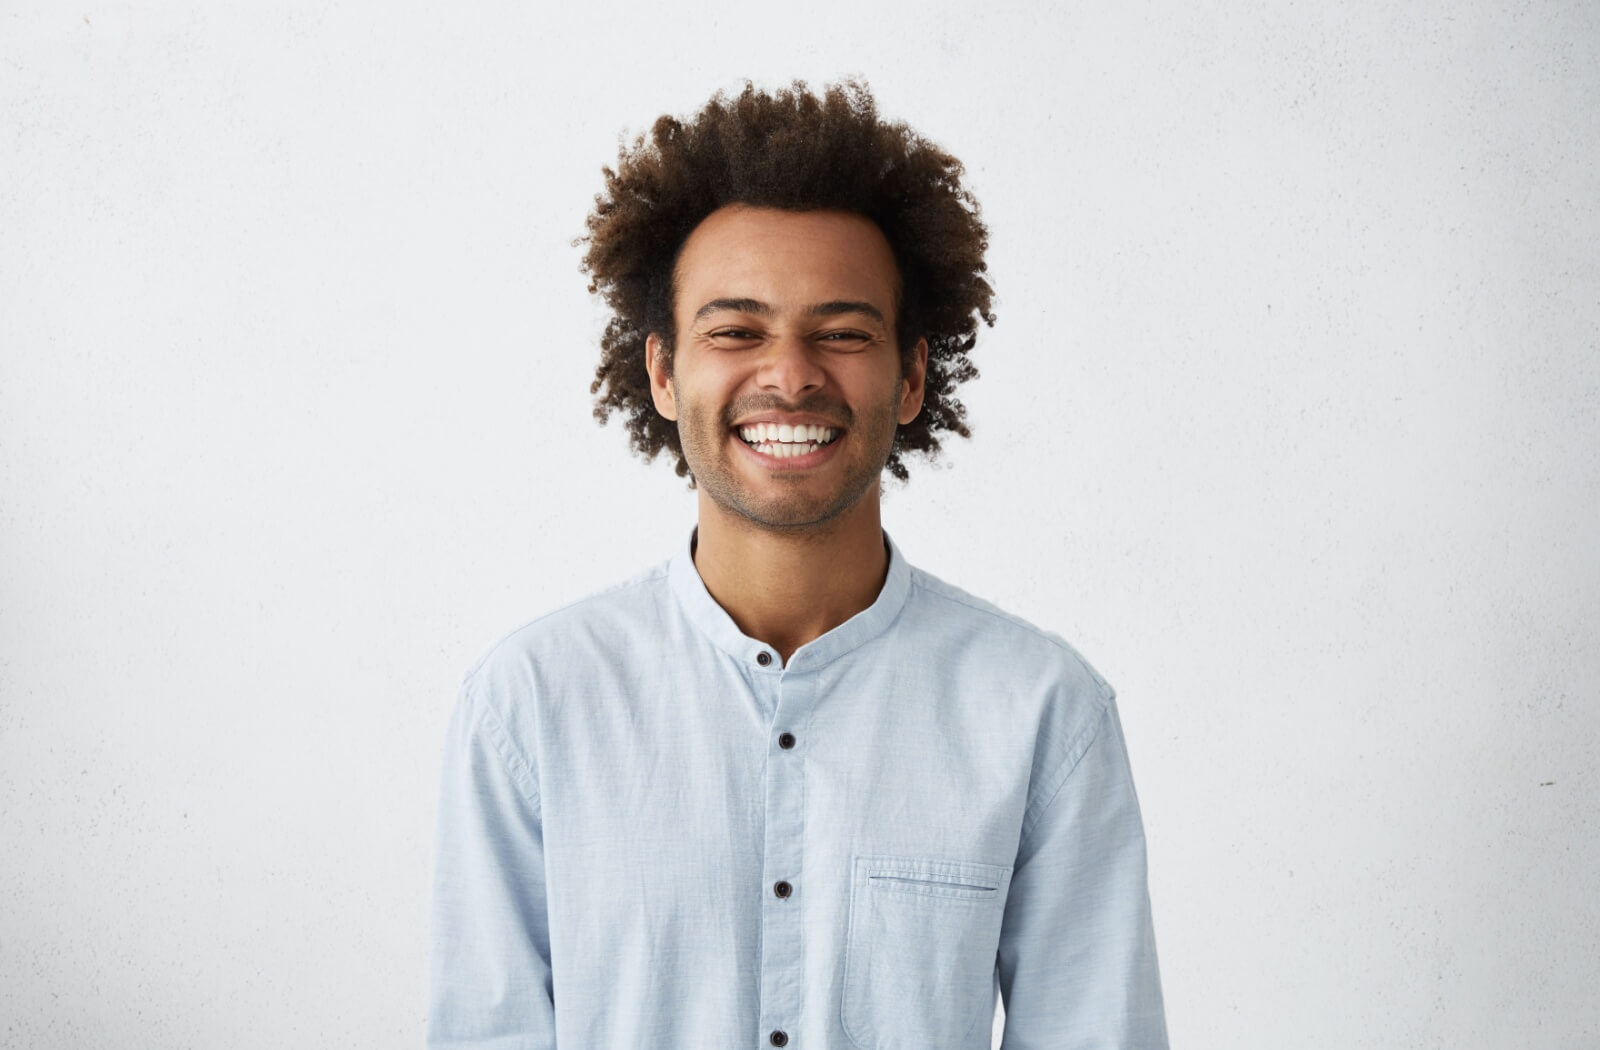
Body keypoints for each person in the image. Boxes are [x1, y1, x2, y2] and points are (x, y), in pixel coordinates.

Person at [426, 79, 1168, 1049]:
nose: (789, 374)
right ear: (660, 372)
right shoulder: (530, 703)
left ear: (908, 377)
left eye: (843, 332)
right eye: (735, 331)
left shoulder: (1041, 711)